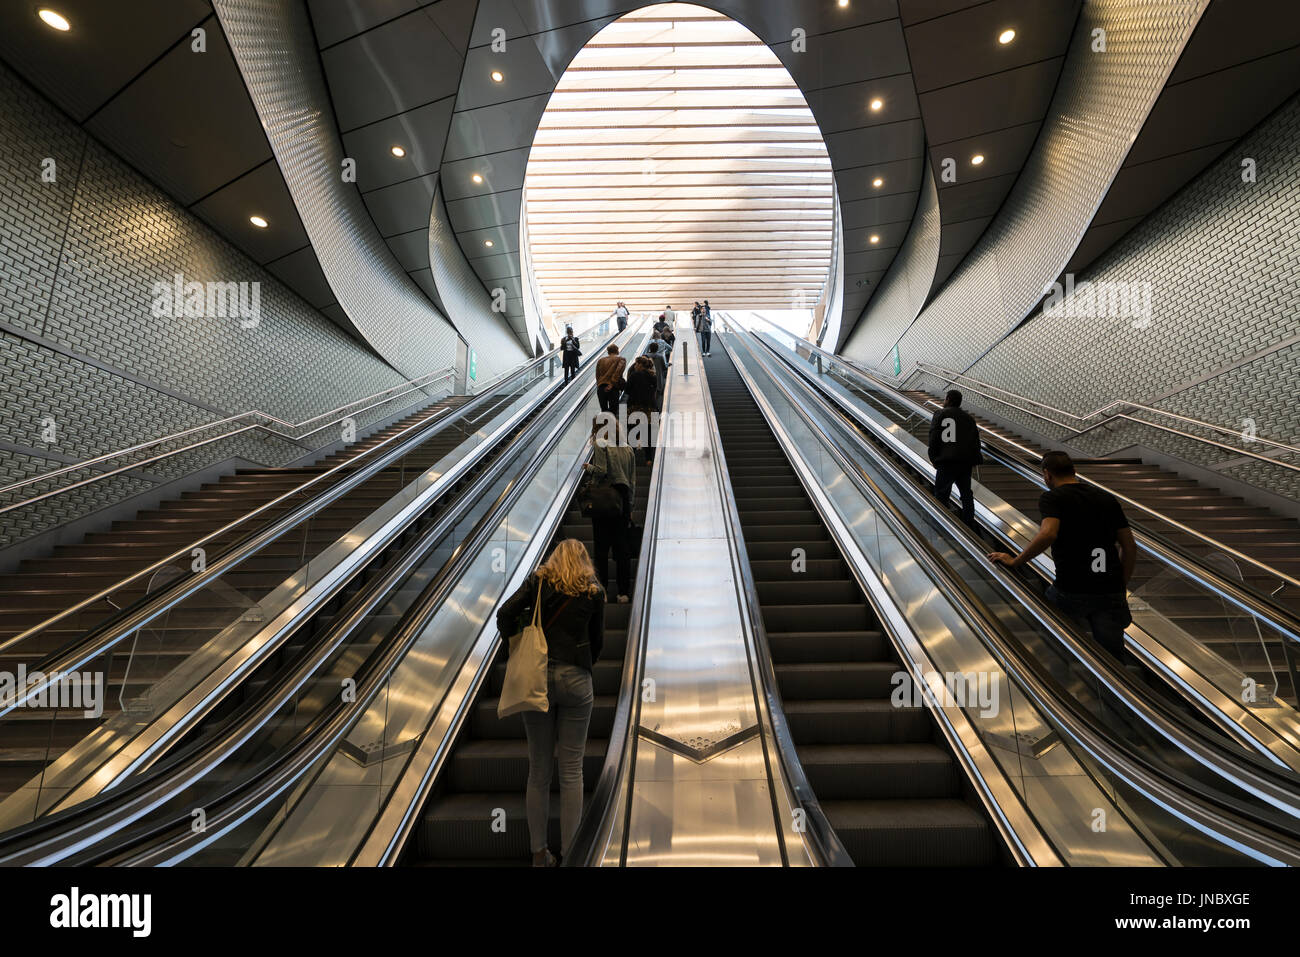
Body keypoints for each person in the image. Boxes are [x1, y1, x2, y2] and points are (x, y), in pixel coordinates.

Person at [495, 539, 605, 867]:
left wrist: (516, 641)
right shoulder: (593, 591)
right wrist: (583, 664)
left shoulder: (539, 581)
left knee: (539, 770)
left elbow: (504, 614)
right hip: (576, 678)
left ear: (554, 558)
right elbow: (597, 641)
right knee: (572, 771)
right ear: (584, 560)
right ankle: (572, 855)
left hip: (537, 678)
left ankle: (539, 854)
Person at [988, 451, 1136, 659]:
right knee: (1111, 654)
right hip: (1110, 590)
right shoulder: (1106, 498)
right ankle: (1114, 688)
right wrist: (1121, 583)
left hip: (1072, 589)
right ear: (1074, 471)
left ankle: (1052, 669)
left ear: (1047, 475)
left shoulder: (1053, 498)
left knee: (1042, 622)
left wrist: (1016, 560)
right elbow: (1129, 546)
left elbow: (1048, 533)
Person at [584, 414, 635, 602]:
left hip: (605, 499)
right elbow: (632, 481)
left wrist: (588, 468)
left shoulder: (600, 444)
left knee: (601, 548)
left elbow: (601, 471)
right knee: (622, 549)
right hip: (622, 500)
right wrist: (630, 507)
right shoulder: (628, 448)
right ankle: (624, 592)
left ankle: (603, 590)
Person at [927, 390, 982, 527]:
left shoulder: (940, 414)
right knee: (966, 494)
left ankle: (941, 523)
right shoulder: (969, 419)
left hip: (946, 461)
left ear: (949, 399)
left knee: (941, 493)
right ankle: (969, 522)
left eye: (945, 399)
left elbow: (934, 436)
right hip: (964, 462)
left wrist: (933, 457)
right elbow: (975, 441)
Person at [625, 356, 657, 465]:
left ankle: (630, 458)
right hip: (649, 408)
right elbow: (654, 391)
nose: (635, 365)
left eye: (636, 364)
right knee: (648, 433)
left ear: (640, 365)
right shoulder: (652, 376)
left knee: (633, 432)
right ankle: (648, 459)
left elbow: (627, 390)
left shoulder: (634, 375)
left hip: (635, 407)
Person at [595, 344, 626, 413]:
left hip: (601, 388)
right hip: (613, 388)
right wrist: (611, 384)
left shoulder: (600, 360)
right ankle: (612, 424)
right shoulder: (621, 359)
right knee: (613, 412)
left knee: (604, 411)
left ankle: (605, 424)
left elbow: (597, 375)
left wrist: (599, 384)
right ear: (617, 350)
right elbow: (618, 372)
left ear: (608, 351)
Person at [646, 339, 668, 410]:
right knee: (658, 394)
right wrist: (668, 365)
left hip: (648, 378)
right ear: (657, 348)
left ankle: (650, 409)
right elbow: (664, 367)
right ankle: (657, 408)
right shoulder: (660, 356)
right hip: (658, 377)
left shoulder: (646, 356)